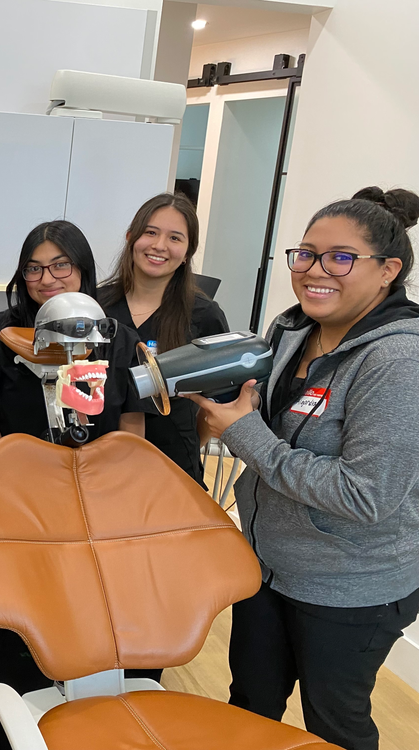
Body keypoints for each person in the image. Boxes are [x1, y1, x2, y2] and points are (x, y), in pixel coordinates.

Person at [189, 187, 419, 750]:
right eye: (306, 254)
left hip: (352, 585)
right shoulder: (292, 331)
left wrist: (242, 434)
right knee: (250, 706)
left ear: (388, 270)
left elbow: (366, 495)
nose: (316, 270)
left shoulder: (398, 359)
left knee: (334, 725)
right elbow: (265, 418)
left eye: (341, 257)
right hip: (268, 567)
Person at [0, 219, 148, 750]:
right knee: (18, 629)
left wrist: (109, 486)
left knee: (91, 627)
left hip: (98, 510)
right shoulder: (2, 332)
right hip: (20, 507)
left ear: (83, 270)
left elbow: (131, 424)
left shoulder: (115, 336)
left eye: (60, 265)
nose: (48, 278)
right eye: (35, 268)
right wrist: (16, 483)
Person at [99, 192, 229, 485]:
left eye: (175, 238)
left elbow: (217, 400)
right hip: (100, 462)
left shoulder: (204, 315)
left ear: (187, 253)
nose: (159, 246)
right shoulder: (97, 306)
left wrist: (189, 442)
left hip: (172, 466)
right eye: (151, 232)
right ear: (132, 237)